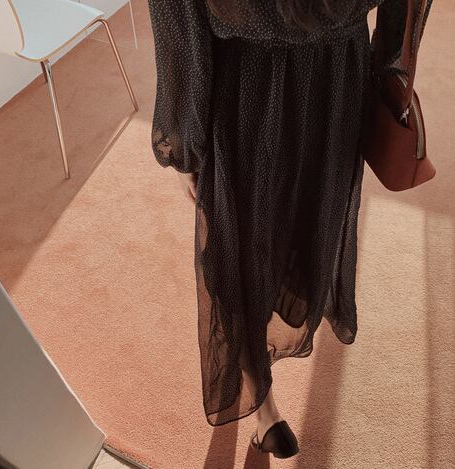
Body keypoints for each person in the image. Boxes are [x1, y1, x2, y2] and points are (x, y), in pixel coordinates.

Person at [147, 0, 406, 458]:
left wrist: (185, 141)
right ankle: (264, 389)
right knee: (307, 216)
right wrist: (387, 66)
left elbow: (178, 20)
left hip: (250, 84)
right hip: (337, 78)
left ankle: (264, 408)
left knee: (239, 240)